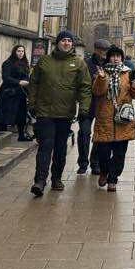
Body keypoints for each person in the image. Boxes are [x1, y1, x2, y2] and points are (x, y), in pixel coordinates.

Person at [27, 30, 91, 197]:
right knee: (45, 147)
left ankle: (56, 179)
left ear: (72, 44)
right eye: (63, 40)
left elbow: (85, 88)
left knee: (60, 148)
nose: (66, 43)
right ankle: (40, 181)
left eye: (69, 41)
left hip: (65, 114)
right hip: (45, 112)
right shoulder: (44, 61)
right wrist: (32, 103)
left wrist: (84, 108)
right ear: (57, 43)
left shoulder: (78, 63)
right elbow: (34, 83)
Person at [92, 46, 135, 192]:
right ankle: (104, 171)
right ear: (108, 58)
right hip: (105, 118)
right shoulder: (102, 72)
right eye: (113, 56)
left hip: (123, 120)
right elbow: (97, 92)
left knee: (120, 154)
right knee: (103, 152)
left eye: (118, 56)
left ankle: (113, 179)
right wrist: (101, 79)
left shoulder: (128, 73)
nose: (115, 58)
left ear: (121, 58)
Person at [77, 39, 111, 175]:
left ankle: (95, 162)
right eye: (102, 50)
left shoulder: (110, 65)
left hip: (103, 105)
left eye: (106, 51)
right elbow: (80, 84)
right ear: (96, 50)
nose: (104, 53)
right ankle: (83, 163)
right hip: (88, 104)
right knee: (84, 133)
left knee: (99, 136)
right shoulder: (86, 64)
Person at [0, 45, 32, 141]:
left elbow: (26, 75)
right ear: (14, 52)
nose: (21, 53)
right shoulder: (8, 63)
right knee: (5, 114)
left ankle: (21, 135)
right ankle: (2, 137)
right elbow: (6, 77)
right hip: (9, 92)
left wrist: (26, 82)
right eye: (19, 51)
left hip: (21, 92)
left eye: (22, 51)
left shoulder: (25, 63)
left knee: (21, 114)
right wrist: (18, 82)